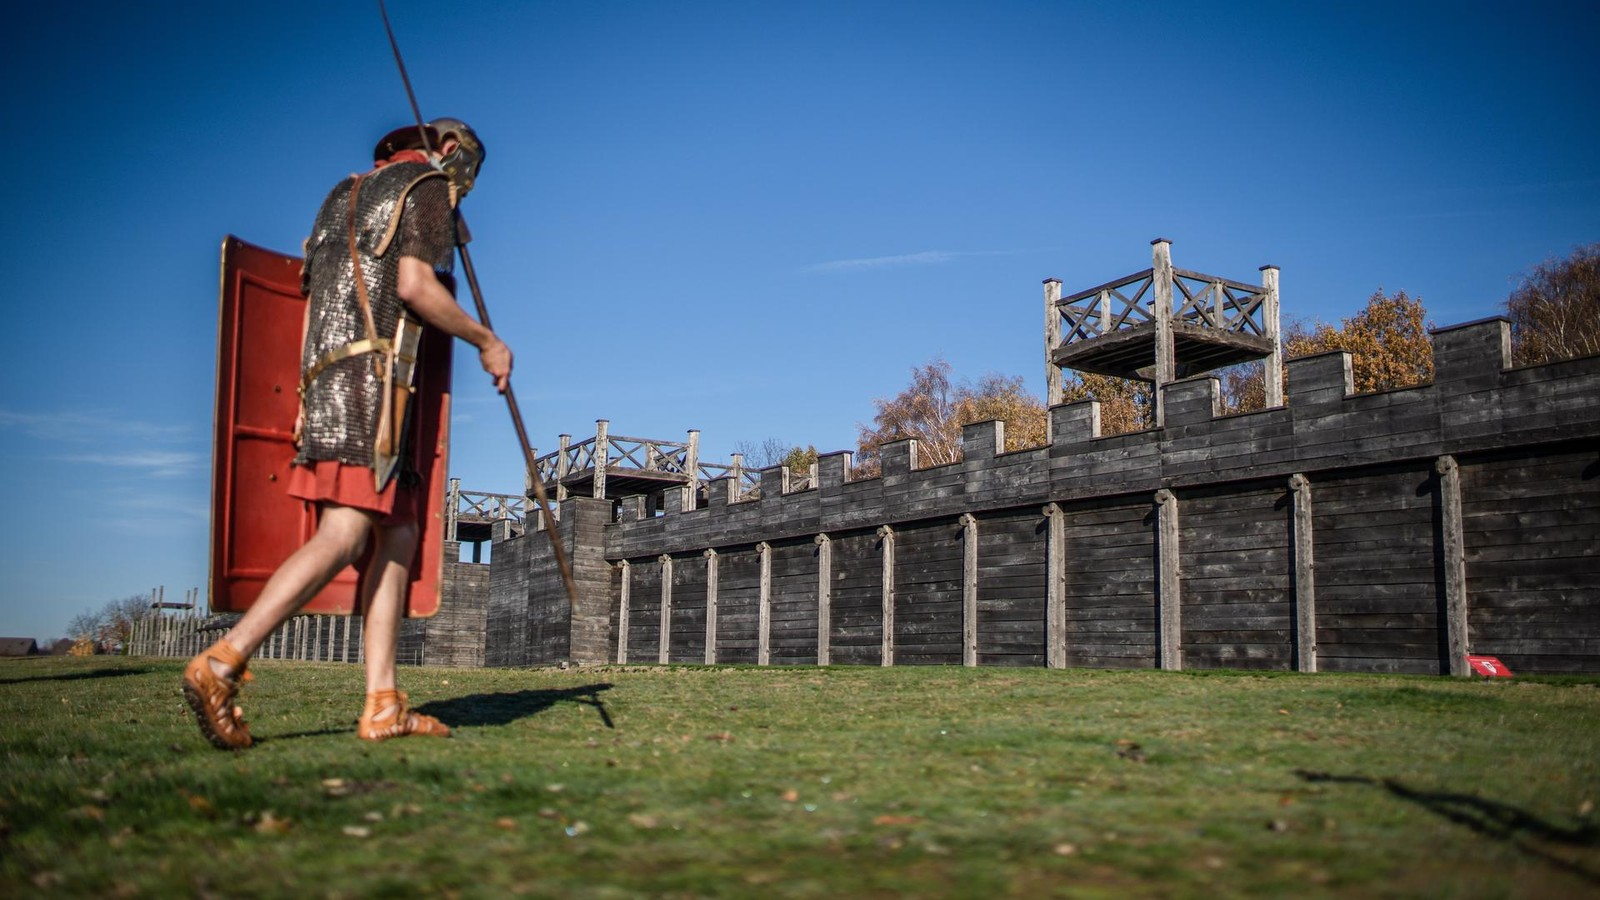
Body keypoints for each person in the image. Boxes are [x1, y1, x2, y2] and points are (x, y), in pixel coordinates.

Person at [183, 119, 511, 750]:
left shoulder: (345, 195)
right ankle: (223, 662)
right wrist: (486, 341)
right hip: (374, 386)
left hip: (328, 384)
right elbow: (415, 286)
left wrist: (453, 222)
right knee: (346, 530)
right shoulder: (425, 188)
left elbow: (318, 288)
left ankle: (383, 702)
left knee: (401, 532)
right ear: (450, 153)